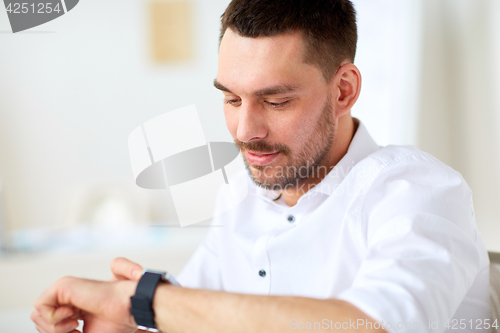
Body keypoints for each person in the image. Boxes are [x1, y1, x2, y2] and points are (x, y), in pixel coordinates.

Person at [31, 0, 491, 332]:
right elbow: (190, 312)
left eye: (275, 100)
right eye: (231, 98)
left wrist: (147, 302)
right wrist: (120, 324)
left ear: (344, 90)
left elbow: (373, 326)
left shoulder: (417, 190)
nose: (245, 130)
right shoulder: (243, 194)